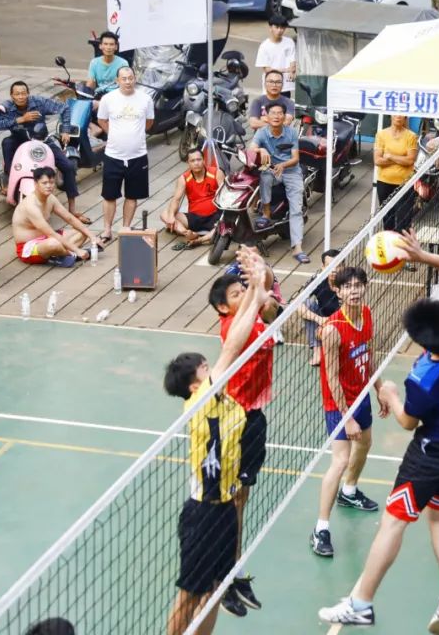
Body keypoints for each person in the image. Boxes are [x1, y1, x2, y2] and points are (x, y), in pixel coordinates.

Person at [319, 230, 439, 634]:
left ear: (419, 341)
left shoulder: (423, 377)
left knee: (394, 520)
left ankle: (361, 604)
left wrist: (391, 394)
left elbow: (408, 420)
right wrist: (422, 256)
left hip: (434, 451)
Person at [163, 253, 270, 635]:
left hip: (224, 509)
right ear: (195, 383)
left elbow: (237, 340)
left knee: (213, 590)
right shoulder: (202, 401)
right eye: (206, 369)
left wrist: (256, 288)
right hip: (202, 513)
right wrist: (255, 291)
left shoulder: (221, 399)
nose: (216, 369)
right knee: (189, 596)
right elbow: (232, 347)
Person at [207, 257, 277, 618]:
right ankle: (221, 577)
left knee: (241, 501)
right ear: (223, 307)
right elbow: (261, 304)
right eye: (236, 294)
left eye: (242, 290)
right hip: (233, 422)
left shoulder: (253, 314)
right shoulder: (234, 327)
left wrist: (261, 272)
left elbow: (272, 304)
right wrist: (258, 288)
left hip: (254, 417)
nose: (243, 295)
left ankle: (233, 570)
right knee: (228, 506)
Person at [310, 266, 381, 558]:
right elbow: (331, 377)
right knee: (339, 461)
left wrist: (378, 388)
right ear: (337, 292)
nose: (353, 291)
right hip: (339, 404)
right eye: (347, 287)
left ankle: (349, 492)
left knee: (365, 444)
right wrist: (347, 417)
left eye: (357, 285)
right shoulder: (332, 330)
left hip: (361, 395)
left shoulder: (366, 314)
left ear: (365, 287)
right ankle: (320, 529)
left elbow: (368, 355)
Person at [0, 81, 85, 220]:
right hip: (19, 141)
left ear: (28, 93)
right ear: (12, 95)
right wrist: (20, 119)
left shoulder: (39, 102)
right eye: (17, 94)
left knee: (68, 166)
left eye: (23, 93)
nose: (20, 96)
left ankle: (72, 208)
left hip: (43, 141)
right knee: (6, 142)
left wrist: (65, 130)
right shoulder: (7, 106)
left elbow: (64, 108)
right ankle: (8, 179)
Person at [96, 66, 154, 248]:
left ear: (135, 78)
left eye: (130, 78)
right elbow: (101, 120)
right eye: (124, 78)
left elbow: (149, 122)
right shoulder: (108, 99)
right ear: (117, 81)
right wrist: (113, 134)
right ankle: (107, 229)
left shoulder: (145, 99)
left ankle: (126, 227)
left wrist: (136, 134)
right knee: (109, 195)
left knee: (132, 195)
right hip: (113, 155)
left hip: (138, 155)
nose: (128, 81)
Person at [252, 102, 308, 263]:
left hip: (291, 171)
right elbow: (251, 148)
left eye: (279, 113)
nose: (276, 116)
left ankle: (297, 247)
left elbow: (295, 158)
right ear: (267, 116)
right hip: (271, 170)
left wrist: (282, 165)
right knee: (264, 177)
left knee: (296, 209)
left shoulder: (291, 133)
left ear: (284, 117)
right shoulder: (262, 133)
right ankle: (266, 213)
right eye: (273, 113)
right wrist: (261, 149)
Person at [11, 167, 95, 267]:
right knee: (54, 243)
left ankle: (61, 254)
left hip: (48, 237)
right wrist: (77, 250)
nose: (48, 186)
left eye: (51, 183)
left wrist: (92, 237)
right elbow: (50, 233)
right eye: (44, 183)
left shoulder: (50, 198)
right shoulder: (30, 205)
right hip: (28, 246)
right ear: (36, 184)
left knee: (82, 232)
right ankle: (72, 254)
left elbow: (69, 218)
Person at [161, 147, 224, 250]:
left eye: (199, 160)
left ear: (203, 160)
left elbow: (225, 194)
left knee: (226, 224)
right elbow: (176, 199)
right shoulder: (184, 178)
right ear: (188, 163)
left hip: (215, 215)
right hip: (194, 218)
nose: (196, 163)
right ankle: (187, 233)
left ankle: (200, 240)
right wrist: (171, 216)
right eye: (192, 161)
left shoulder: (216, 173)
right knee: (165, 214)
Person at [374, 114, 418, 235]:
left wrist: (390, 156)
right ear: (391, 116)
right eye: (396, 113)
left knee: (404, 222)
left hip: (404, 184)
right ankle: (389, 244)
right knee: (388, 219)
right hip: (384, 183)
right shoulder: (381, 135)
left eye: (401, 114)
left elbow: (410, 160)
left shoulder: (411, 136)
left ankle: (402, 245)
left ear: (405, 117)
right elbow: (377, 160)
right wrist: (400, 159)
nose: (398, 116)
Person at [297, 248, 342, 366]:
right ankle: (317, 352)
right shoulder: (318, 280)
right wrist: (319, 319)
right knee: (307, 304)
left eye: (337, 266)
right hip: (322, 320)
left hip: (342, 322)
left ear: (344, 267)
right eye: (329, 266)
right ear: (323, 267)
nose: (334, 270)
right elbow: (299, 306)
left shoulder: (348, 282)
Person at [254, 15, 296, 96]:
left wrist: (292, 71)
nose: (279, 30)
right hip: (271, 86)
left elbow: (292, 60)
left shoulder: (289, 42)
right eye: (277, 27)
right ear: (270, 28)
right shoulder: (264, 46)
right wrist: (286, 70)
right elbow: (267, 69)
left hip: (285, 87)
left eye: (282, 27)